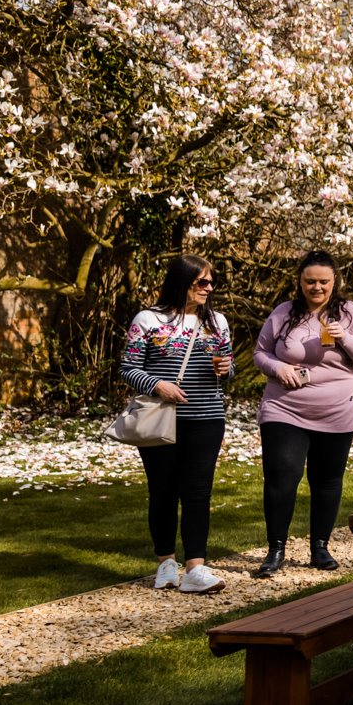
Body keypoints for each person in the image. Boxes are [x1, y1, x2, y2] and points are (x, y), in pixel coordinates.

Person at [252, 251, 353, 574]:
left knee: (326, 479)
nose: (317, 287)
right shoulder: (283, 313)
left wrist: (344, 337)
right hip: (286, 407)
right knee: (282, 476)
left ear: (334, 281)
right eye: (310, 281)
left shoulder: (350, 314)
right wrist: (278, 367)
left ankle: (319, 547)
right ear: (300, 281)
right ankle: (275, 550)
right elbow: (260, 353)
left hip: (337, 409)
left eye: (323, 281)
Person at [120, 254, 233, 595]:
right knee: (163, 492)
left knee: (198, 493)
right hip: (160, 419)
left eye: (211, 282)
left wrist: (225, 370)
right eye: (202, 282)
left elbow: (229, 373)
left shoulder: (218, 323)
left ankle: (196, 568)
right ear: (181, 282)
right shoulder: (148, 320)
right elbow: (128, 368)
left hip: (207, 418)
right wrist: (158, 385)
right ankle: (166, 563)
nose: (209, 288)